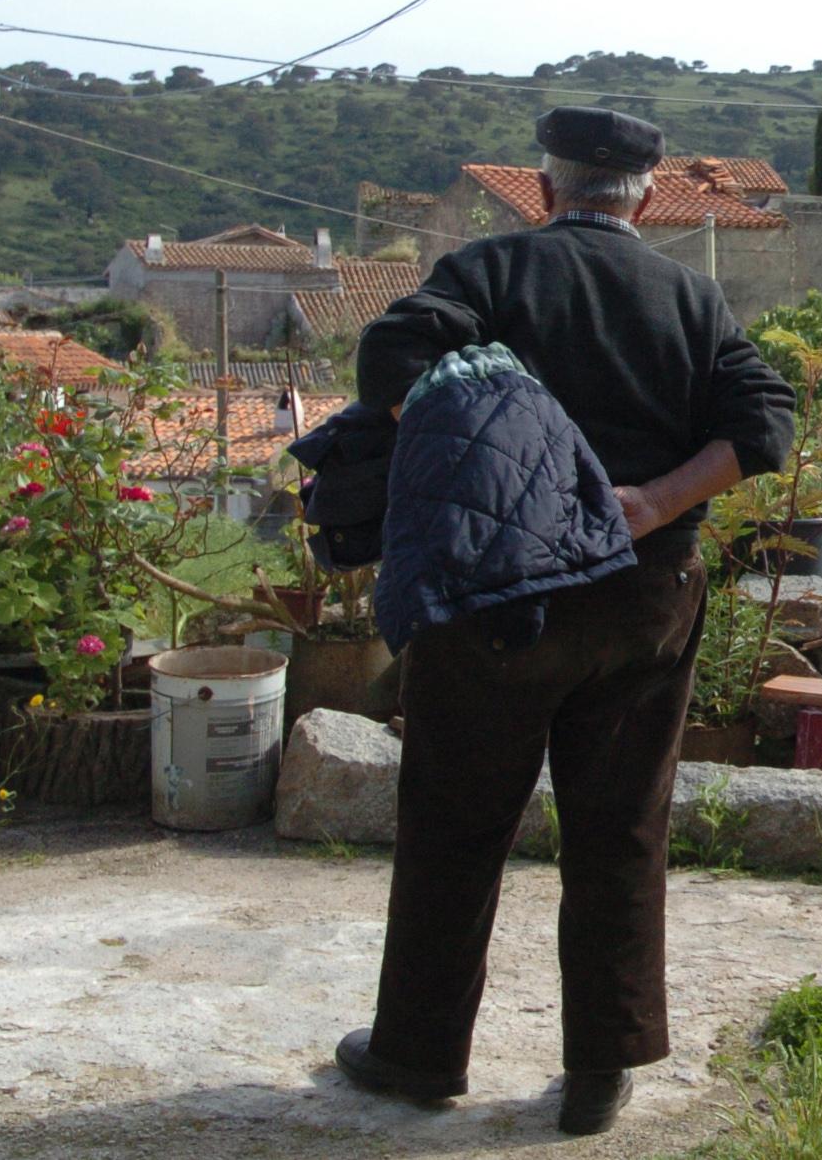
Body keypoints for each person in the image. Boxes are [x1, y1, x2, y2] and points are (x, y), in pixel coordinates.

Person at [333, 106, 795, 1136]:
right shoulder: (691, 296)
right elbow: (762, 424)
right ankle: (600, 1074)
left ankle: (416, 1056)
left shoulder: (493, 271)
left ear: (545, 191)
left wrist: (505, 469)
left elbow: (392, 361)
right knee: (621, 827)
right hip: (647, 592)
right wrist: (652, 503)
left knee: (455, 819)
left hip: (501, 594)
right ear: (647, 195)